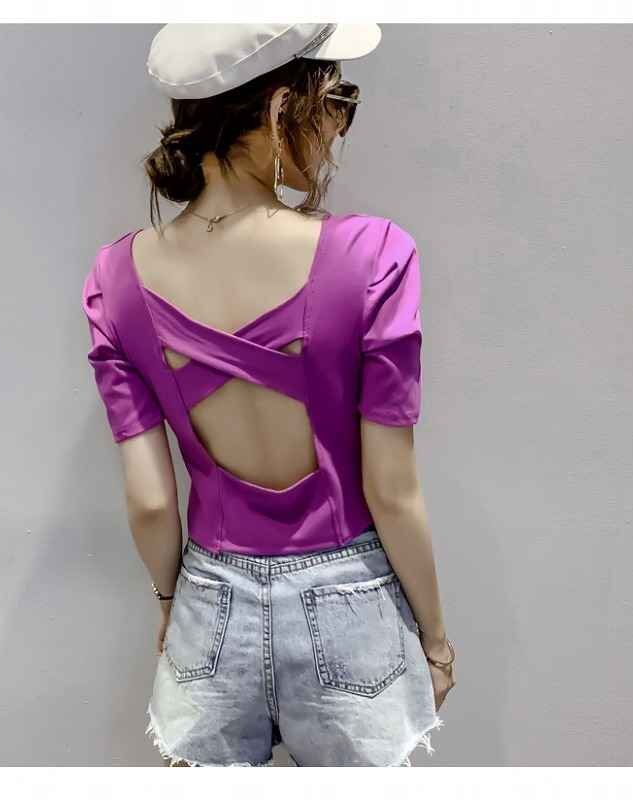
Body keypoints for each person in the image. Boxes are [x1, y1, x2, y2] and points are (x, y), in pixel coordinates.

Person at [81, 23, 456, 767]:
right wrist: (436, 638)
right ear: (285, 106)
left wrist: (173, 604)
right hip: (351, 601)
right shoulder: (374, 255)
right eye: (337, 101)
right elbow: (392, 490)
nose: (338, 126)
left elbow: (151, 503)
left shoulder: (115, 279)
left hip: (209, 602)